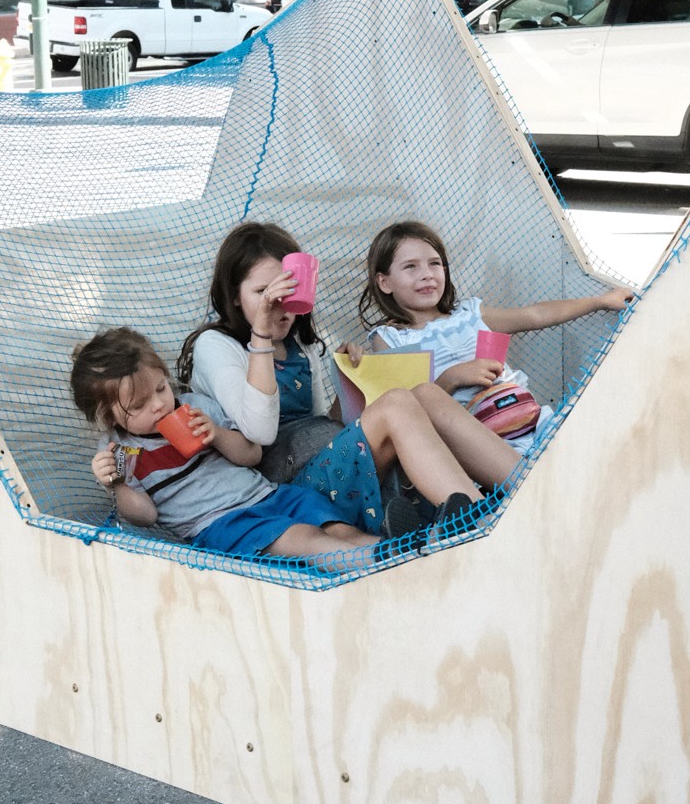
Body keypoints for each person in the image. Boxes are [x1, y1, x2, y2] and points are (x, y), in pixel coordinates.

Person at [181, 221, 519, 536]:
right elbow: (260, 432)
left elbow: (325, 423)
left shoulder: (301, 347)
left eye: (287, 290)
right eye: (263, 293)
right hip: (292, 490)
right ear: (235, 296)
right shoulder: (216, 345)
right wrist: (261, 336)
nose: (278, 305)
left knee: (423, 393)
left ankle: (523, 483)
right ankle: (481, 522)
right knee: (397, 402)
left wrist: (350, 380)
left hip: (335, 463)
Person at [71, 326, 377, 569]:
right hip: (220, 524)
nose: (158, 405)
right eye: (139, 405)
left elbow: (252, 455)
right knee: (303, 538)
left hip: (269, 495)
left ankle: (393, 552)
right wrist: (118, 485)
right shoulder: (120, 451)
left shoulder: (195, 407)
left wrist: (216, 434)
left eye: (161, 388)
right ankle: (376, 565)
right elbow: (146, 515)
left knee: (334, 525)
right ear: (108, 416)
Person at [358, 219, 630, 463]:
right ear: (385, 282)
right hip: (481, 450)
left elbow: (534, 315)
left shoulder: (469, 315)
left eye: (435, 263)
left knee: (606, 443)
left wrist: (600, 301)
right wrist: (452, 378)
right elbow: (407, 411)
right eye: (411, 267)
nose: (427, 274)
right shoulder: (390, 339)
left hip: (535, 423)